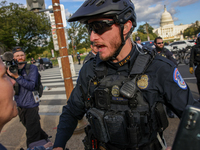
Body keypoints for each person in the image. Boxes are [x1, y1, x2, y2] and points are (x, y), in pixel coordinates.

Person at [53, 1, 200, 150]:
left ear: (126, 27)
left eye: (99, 26)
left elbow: (195, 119)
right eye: (90, 28)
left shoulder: (159, 68)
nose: (92, 37)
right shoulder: (89, 70)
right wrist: (58, 146)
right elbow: (72, 111)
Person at [0, 55, 53, 150]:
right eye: (4, 75)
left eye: (21, 55)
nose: (12, 81)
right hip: (20, 106)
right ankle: (45, 139)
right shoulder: (13, 71)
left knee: (32, 133)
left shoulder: (31, 68)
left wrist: (17, 76)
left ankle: (38, 143)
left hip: (31, 105)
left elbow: (31, 85)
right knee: (32, 128)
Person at [154, 37, 177, 118]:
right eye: (159, 43)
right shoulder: (152, 53)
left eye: (162, 42)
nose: (161, 44)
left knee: (168, 96)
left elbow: (174, 63)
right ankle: (158, 114)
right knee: (156, 97)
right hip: (155, 78)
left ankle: (169, 111)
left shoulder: (166, 52)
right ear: (155, 44)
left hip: (165, 77)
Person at [189, 33, 200, 100]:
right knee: (199, 83)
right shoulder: (194, 48)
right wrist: (191, 66)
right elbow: (191, 58)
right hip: (198, 67)